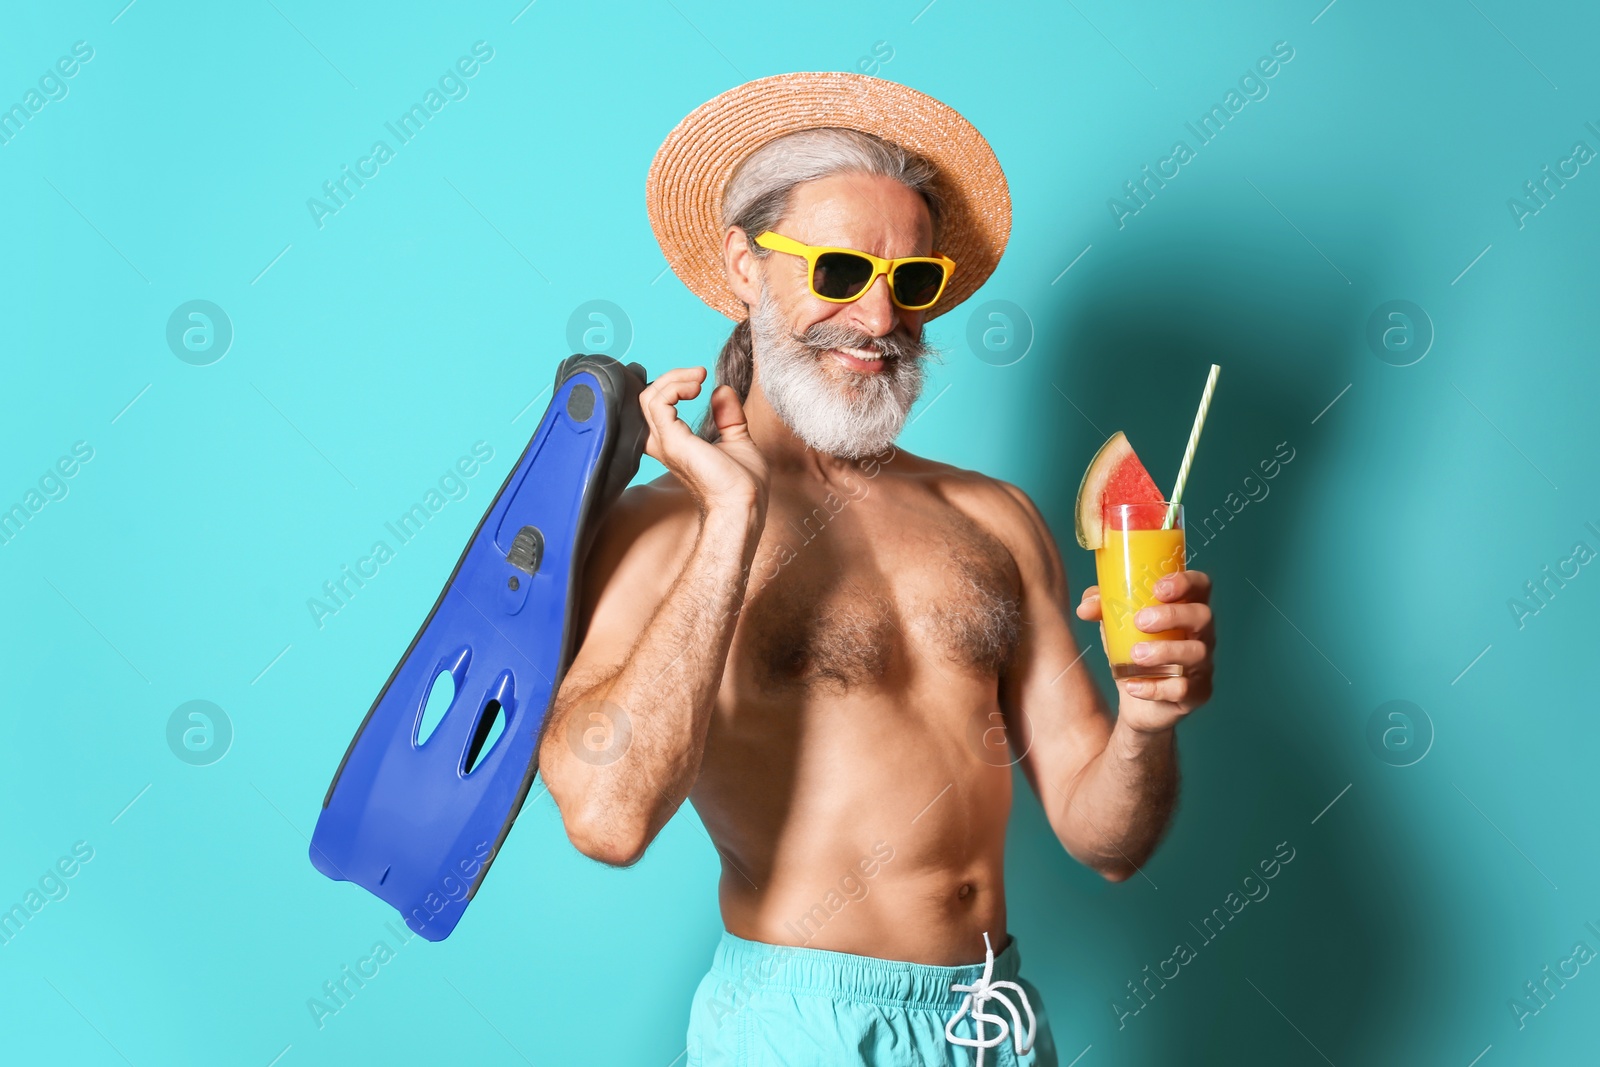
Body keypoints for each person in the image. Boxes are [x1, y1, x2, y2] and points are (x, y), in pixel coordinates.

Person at [536, 72, 1216, 1066]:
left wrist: (1148, 724)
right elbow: (606, 818)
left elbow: (1106, 840)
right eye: (842, 268)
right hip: (797, 1027)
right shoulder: (660, 533)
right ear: (745, 266)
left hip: (994, 1021)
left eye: (911, 282)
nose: (879, 315)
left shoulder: (990, 517)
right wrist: (730, 519)